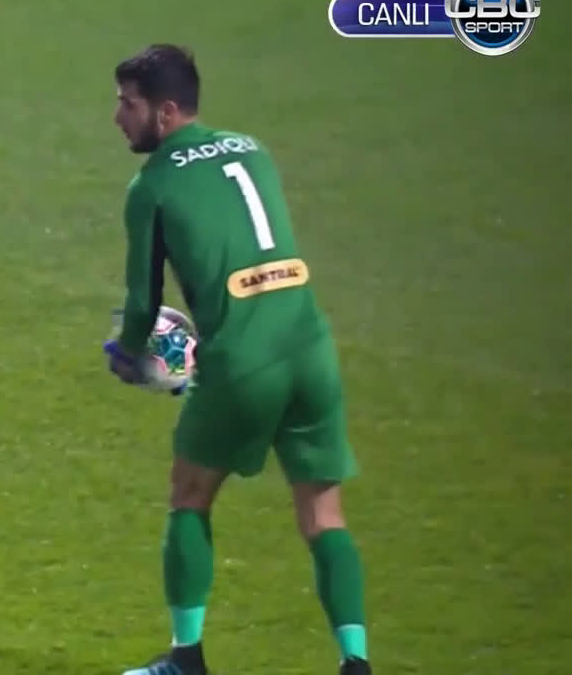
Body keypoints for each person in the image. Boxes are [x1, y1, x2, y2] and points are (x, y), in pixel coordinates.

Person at [102, 45, 371, 675]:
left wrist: (129, 352)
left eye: (128, 104)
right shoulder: (253, 149)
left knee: (190, 494)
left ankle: (186, 660)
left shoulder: (152, 186)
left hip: (243, 361)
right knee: (323, 514)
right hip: (311, 350)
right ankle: (356, 662)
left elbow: (143, 300)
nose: (118, 117)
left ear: (165, 112)